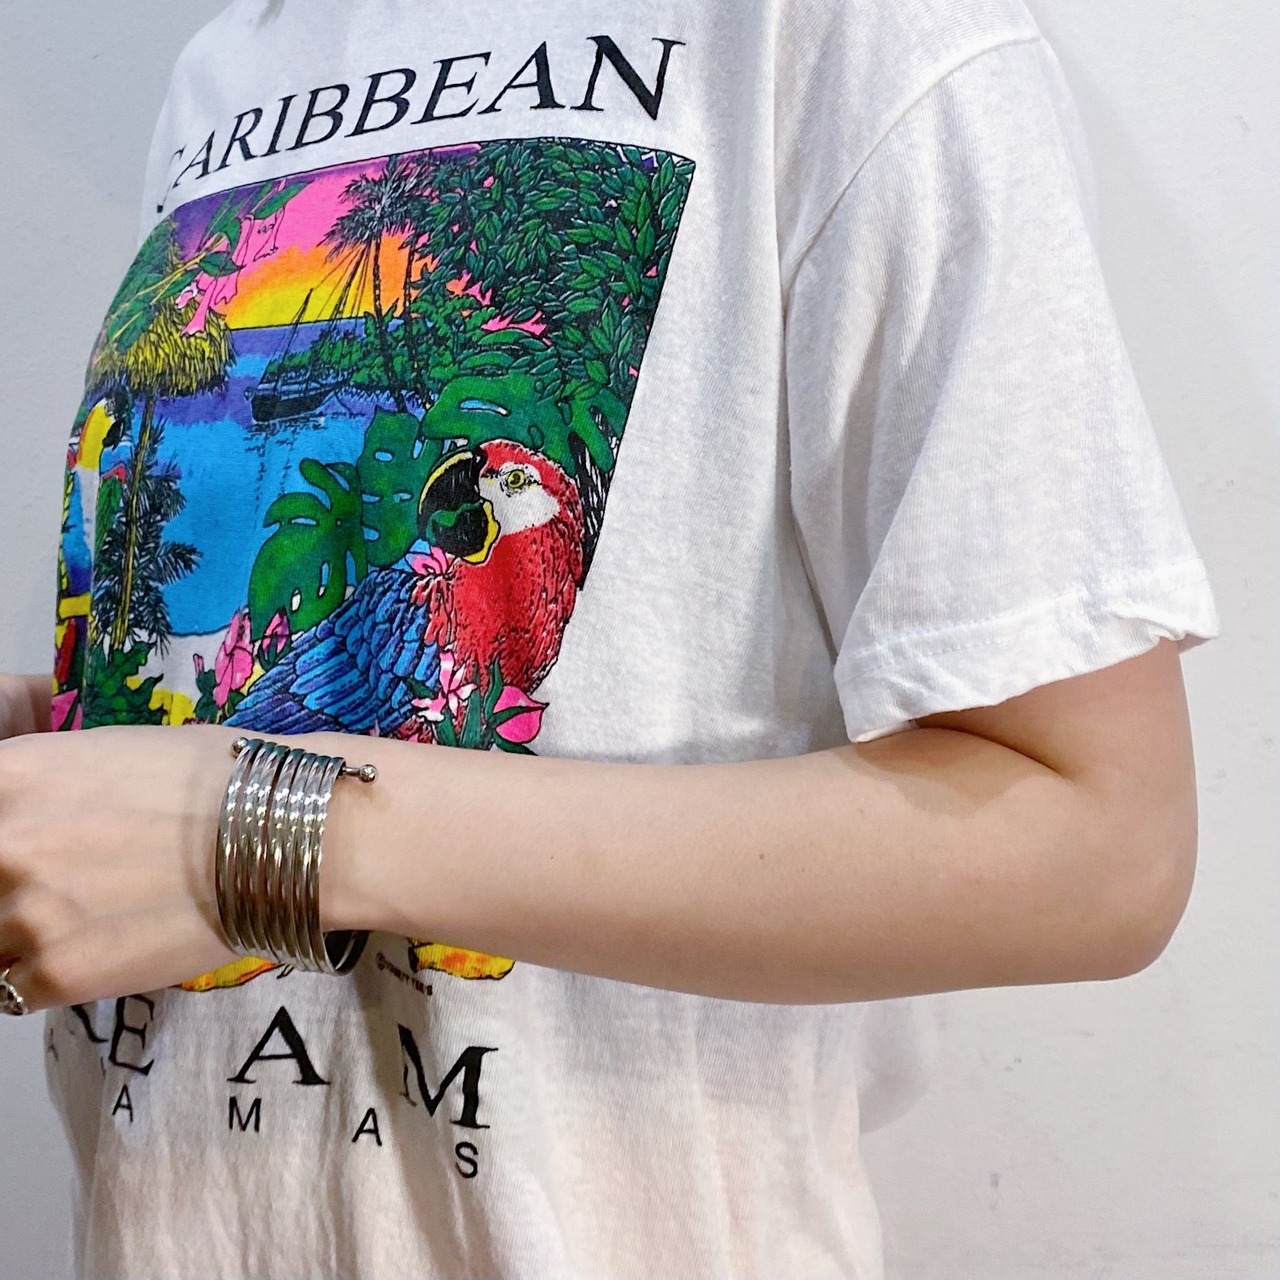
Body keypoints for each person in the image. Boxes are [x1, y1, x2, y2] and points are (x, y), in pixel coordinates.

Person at [0, 0, 1220, 1276]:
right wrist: (70, 746)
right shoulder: (227, 71)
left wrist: (263, 837)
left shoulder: (838, 33)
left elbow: (1100, 845)